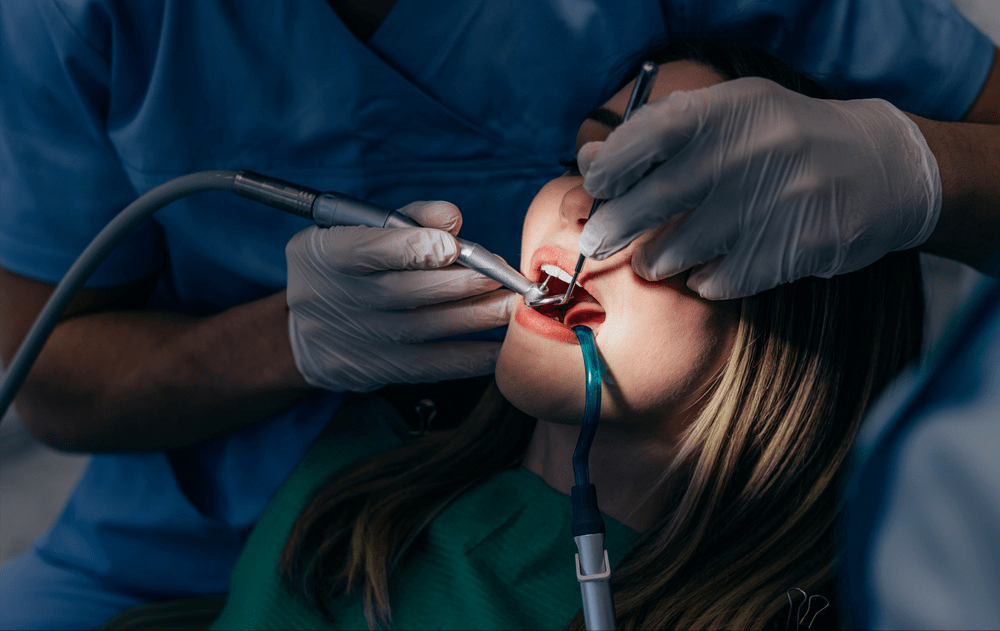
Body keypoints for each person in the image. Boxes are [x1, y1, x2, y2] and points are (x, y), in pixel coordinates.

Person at [0, 1, 995, 629]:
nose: (575, 201)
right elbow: (48, 378)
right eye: (577, 157)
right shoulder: (354, 502)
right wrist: (287, 339)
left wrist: (921, 173)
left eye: (659, 188)